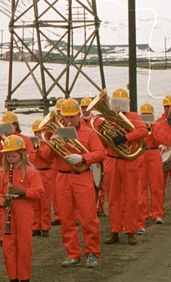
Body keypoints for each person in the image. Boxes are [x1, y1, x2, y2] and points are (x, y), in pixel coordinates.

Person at [39, 98, 106, 268]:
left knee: (88, 217)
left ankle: (92, 253)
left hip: (82, 176)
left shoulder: (89, 133)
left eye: (72, 117)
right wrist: (50, 144)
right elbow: (46, 158)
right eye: (65, 117)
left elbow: (100, 153)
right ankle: (73, 253)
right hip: (62, 178)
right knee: (66, 218)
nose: (68, 121)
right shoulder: (57, 133)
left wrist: (83, 157)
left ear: (78, 115)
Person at [97, 88, 149, 245]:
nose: (118, 106)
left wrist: (125, 137)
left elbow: (143, 131)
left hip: (128, 161)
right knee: (113, 199)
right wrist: (101, 133)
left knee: (130, 197)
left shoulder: (134, 116)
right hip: (112, 160)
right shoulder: (107, 119)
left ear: (126, 103)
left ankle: (131, 231)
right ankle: (115, 231)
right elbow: (101, 142)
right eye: (116, 103)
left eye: (121, 103)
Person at [0, 135, 44, 282]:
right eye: (8, 156)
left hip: (24, 210)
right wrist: (2, 202)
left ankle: (25, 281)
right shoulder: (1, 173)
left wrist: (23, 192)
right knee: (8, 248)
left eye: (14, 155)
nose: (11, 159)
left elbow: (39, 192)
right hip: (7, 212)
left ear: (22, 154)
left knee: (24, 246)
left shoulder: (30, 172)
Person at [138, 103, 165, 225]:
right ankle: (144, 214)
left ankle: (157, 214)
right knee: (141, 186)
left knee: (157, 186)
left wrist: (152, 130)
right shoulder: (138, 126)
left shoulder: (157, 126)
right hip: (142, 154)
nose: (146, 118)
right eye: (144, 115)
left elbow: (161, 140)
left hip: (154, 153)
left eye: (148, 115)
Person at [29, 118, 56, 237]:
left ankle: (45, 227)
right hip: (35, 173)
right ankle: (35, 226)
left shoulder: (48, 144)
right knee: (34, 201)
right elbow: (30, 160)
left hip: (46, 173)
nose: (37, 134)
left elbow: (48, 158)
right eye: (35, 132)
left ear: (44, 132)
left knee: (45, 202)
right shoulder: (33, 145)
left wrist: (38, 149)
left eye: (39, 132)